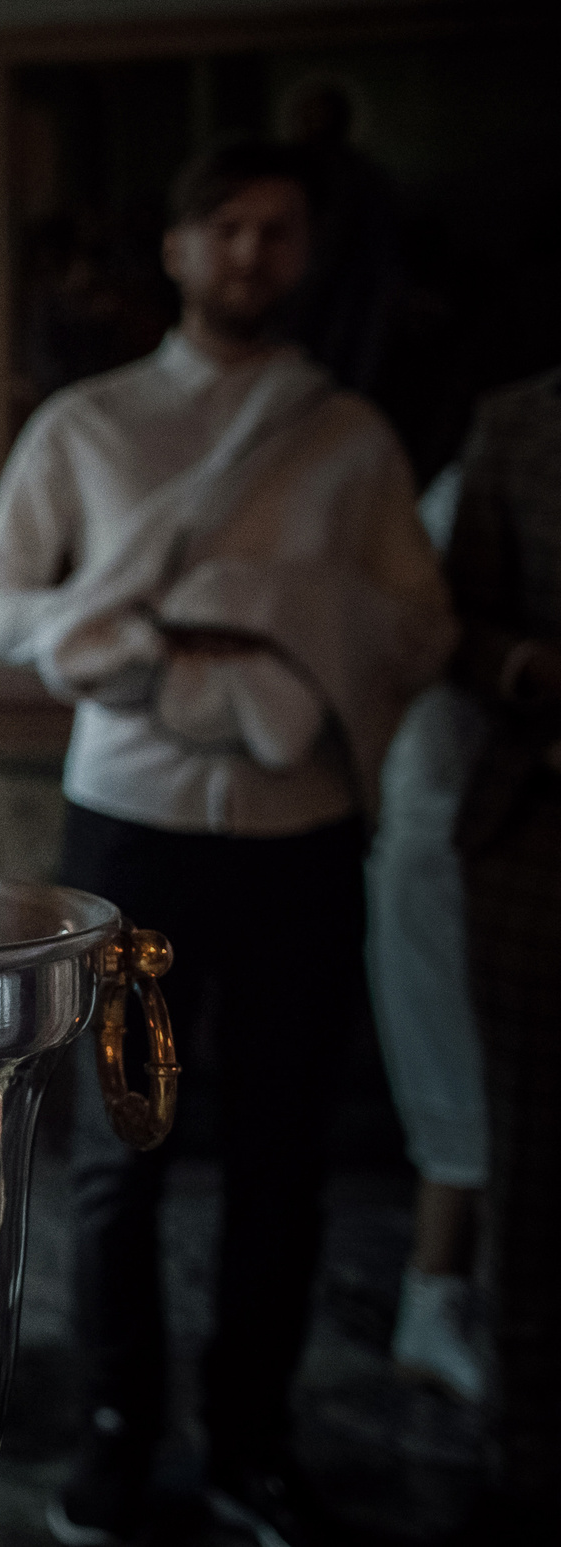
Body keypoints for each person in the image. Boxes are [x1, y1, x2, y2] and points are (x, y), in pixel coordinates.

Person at [0, 138, 455, 1547]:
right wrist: (111, 634)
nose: (250, 255)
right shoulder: (91, 426)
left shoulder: (348, 438)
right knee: (124, 1141)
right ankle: (118, 1430)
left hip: (299, 826)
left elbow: (417, 627)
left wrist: (287, 608)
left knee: (285, 1148)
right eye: (224, 227)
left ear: (306, 256)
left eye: (278, 232)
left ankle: (255, 1438)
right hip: (136, 816)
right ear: (175, 249)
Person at [444, 365, 561, 1545]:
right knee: (529, 1163)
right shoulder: (520, 423)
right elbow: (450, 620)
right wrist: (523, 667)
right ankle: (520, 1460)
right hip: (538, 836)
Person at [364, 459, 490, 1405]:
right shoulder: (484, 477)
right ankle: (437, 1296)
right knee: (455, 1071)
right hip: (440, 816)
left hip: (475, 814)